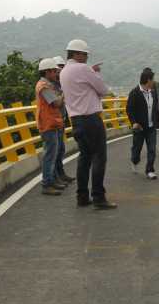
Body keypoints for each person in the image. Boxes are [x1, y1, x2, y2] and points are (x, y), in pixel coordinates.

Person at [59, 39, 117, 209]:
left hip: (75, 120)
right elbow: (103, 90)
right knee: (99, 157)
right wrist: (96, 73)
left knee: (84, 157)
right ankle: (99, 197)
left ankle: (82, 196)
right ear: (76, 54)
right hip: (91, 119)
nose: (86, 57)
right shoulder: (83, 69)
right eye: (84, 54)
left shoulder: (64, 72)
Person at [35, 58, 66, 196]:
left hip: (53, 122)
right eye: (54, 71)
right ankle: (47, 184)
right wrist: (64, 94)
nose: (55, 74)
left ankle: (52, 180)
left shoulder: (48, 84)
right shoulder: (44, 86)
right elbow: (56, 103)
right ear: (47, 72)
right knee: (50, 155)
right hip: (48, 123)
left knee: (53, 154)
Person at [126, 68, 159, 179]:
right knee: (137, 149)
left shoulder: (153, 92)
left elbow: (155, 108)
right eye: (153, 80)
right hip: (139, 127)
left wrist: (158, 119)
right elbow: (129, 109)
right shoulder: (135, 92)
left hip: (151, 127)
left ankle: (150, 170)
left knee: (152, 149)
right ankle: (134, 160)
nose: (154, 82)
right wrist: (134, 122)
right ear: (148, 80)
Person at [52, 56, 75, 185]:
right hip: (53, 122)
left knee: (60, 149)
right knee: (55, 150)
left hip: (61, 120)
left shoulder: (61, 83)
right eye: (58, 68)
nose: (60, 70)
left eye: (62, 67)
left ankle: (60, 174)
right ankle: (55, 177)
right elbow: (57, 102)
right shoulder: (51, 85)